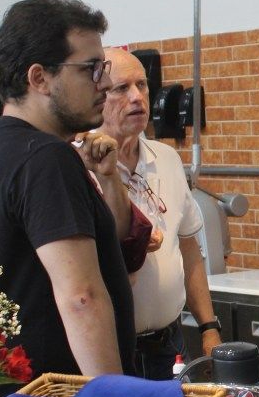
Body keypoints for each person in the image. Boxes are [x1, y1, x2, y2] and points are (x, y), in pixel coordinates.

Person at [0, 0, 145, 397]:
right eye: (91, 69)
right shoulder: (46, 158)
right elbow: (82, 297)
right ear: (39, 78)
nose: (105, 83)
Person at [95, 47, 222, 378]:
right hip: (112, 348)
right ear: (96, 98)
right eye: (121, 88)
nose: (137, 97)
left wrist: (208, 326)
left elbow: (189, 248)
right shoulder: (81, 166)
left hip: (170, 343)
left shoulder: (166, 158)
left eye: (142, 85)